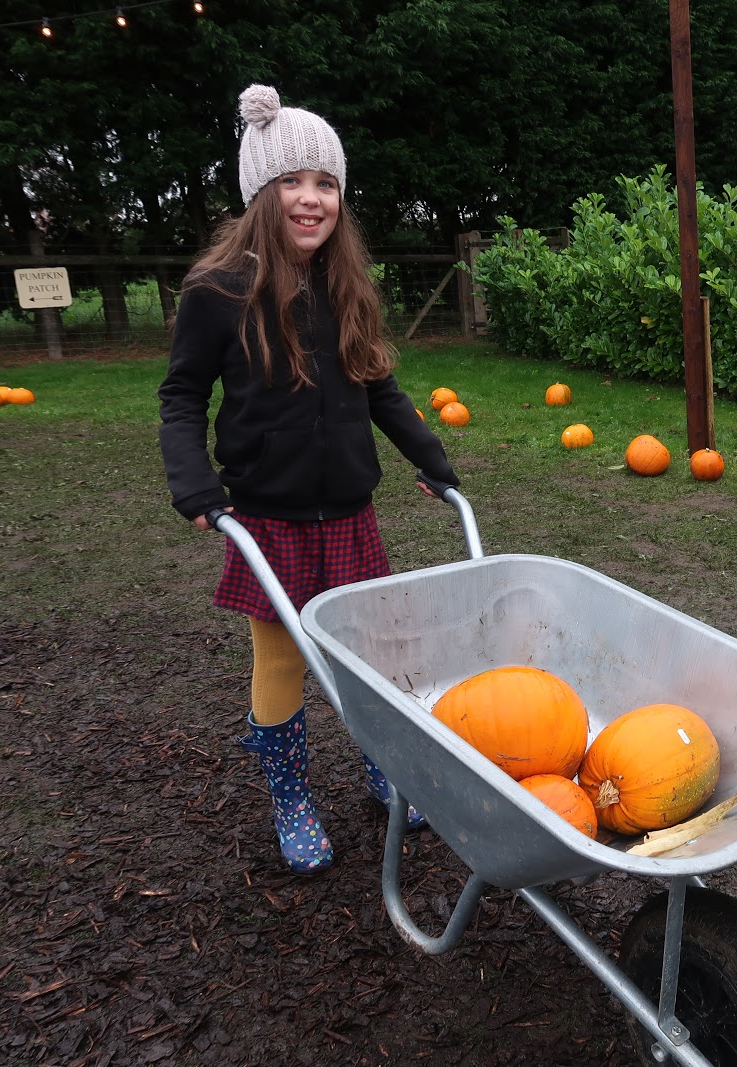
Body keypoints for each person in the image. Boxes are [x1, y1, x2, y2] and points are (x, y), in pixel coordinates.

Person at [158, 84, 458, 875]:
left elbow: (380, 387)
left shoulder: (345, 286)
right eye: (294, 180)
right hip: (268, 519)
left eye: (326, 183)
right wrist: (194, 484)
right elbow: (183, 394)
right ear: (262, 191)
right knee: (285, 658)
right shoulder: (218, 291)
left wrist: (432, 460)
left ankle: (380, 763)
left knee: (368, 654)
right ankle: (291, 794)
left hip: (348, 511)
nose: (311, 198)